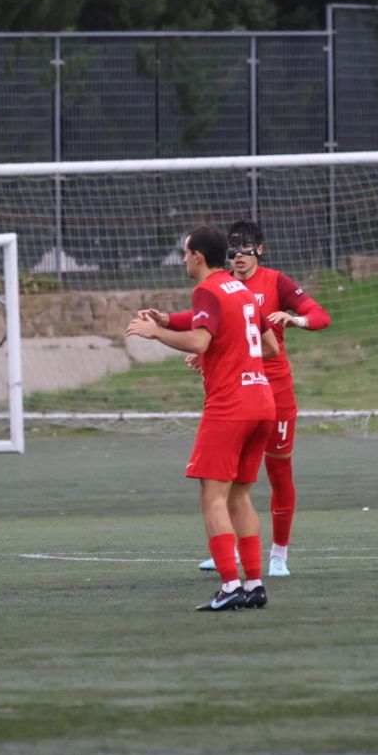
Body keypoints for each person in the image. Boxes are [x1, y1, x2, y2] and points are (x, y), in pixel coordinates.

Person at [127, 225, 278, 612]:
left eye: (185, 253)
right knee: (240, 495)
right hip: (262, 400)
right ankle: (255, 584)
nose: (182, 259)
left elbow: (199, 339)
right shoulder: (239, 288)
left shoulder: (206, 290)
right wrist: (168, 320)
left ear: (197, 257)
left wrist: (154, 333)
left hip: (230, 407)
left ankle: (229, 585)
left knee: (213, 498)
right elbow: (270, 346)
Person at [188, 220, 330, 578]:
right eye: (232, 249)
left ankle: (278, 554)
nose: (238, 256)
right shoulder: (226, 287)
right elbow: (208, 326)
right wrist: (202, 351)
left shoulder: (275, 281)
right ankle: (233, 552)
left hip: (274, 393)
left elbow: (320, 316)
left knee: (277, 471)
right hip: (240, 392)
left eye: (245, 248)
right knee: (231, 478)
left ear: (259, 251)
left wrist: (294, 320)